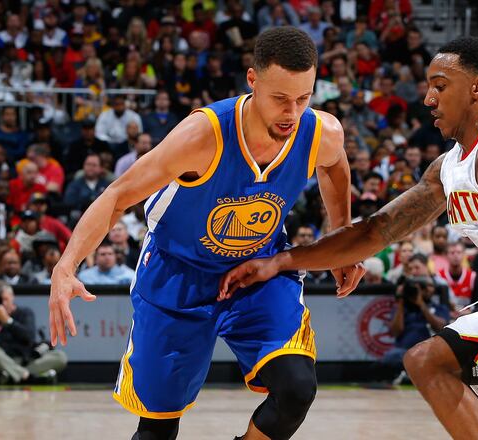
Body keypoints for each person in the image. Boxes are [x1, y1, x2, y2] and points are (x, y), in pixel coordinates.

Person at [222, 36, 478, 438]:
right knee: (471, 411)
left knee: (427, 360)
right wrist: (282, 261)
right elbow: (376, 229)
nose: (428, 98)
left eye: (440, 86)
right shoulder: (447, 169)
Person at [48, 27, 363, 440]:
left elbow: (335, 167)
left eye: (304, 98)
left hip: (259, 269)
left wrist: (340, 237)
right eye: (281, 99)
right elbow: (117, 196)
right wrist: (66, 265)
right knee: (158, 429)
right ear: (253, 81)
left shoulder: (321, 132)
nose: (292, 112)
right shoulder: (202, 136)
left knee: (296, 388)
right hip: (178, 274)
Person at [0, 281, 67, 384]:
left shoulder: (25, 312)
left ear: (12, 297)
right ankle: (27, 376)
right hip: (3, 360)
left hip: (27, 360)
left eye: (5, 299)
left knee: (60, 357)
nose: (3, 304)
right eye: (0, 301)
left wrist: (7, 321)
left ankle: (10, 376)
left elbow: (28, 337)